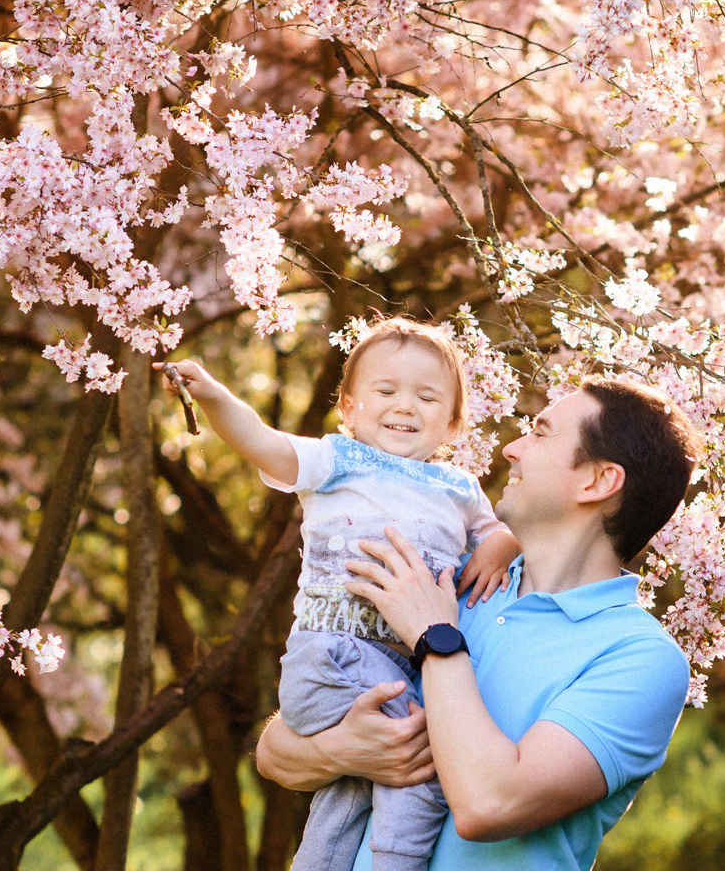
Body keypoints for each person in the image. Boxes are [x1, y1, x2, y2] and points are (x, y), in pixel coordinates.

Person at [256, 375, 703, 871]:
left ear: (597, 481)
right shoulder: (453, 582)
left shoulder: (641, 660)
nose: (512, 448)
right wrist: (343, 751)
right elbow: (274, 755)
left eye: (540, 432)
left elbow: (490, 804)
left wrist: (436, 637)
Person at [156, 317, 521, 871]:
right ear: (348, 408)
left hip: (397, 666)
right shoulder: (337, 460)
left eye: (427, 397)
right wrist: (216, 396)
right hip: (334, 655)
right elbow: (263, 442)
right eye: (385, 391)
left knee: (349, 794)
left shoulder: (460, 487)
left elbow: (499, 531)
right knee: (423, 760)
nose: (405, 406)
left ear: (452, 424)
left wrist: (500, 544)